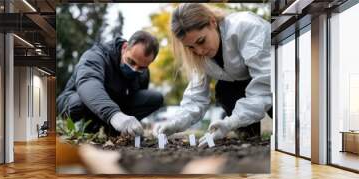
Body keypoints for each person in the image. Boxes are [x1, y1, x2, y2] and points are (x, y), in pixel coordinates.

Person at [155, 3, 272, 147]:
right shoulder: (197, 55)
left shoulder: (247, 27)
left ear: (212, 21)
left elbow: (265, 84)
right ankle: (250, 136)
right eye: (191, 47)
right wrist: (176, 123)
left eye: (201, 41)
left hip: (280, 81)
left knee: (294, 131)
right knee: (224, 90)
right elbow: (195, 97)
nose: (199, 51)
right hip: (243, 83)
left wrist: (232, 121)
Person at [57, 31, 163, 136]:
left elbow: (137, 98)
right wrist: (114, 115)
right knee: (78, 103)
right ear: (125, 47)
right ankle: (86, 129)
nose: (135, 69)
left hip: (113, 105)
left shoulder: (143, 73)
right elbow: (88, 83)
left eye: (142, 67)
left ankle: (113, 130)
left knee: (155, 98)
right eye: (131, 61)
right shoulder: (97, 55)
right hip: (79, 101)